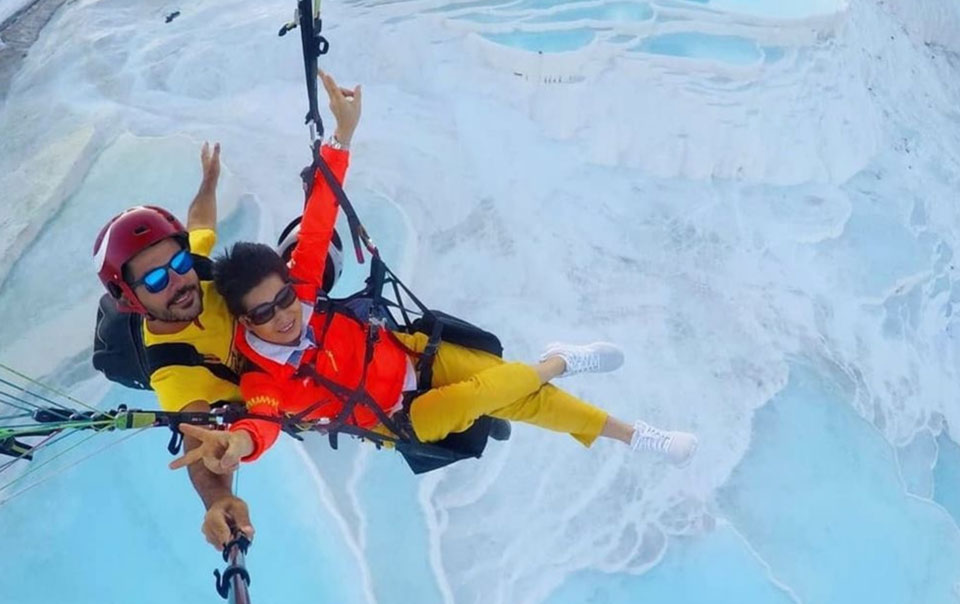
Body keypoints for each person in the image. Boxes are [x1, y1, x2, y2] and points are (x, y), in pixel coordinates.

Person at [169, 74, 699, 476]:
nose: (285, 315)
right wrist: (238, 445)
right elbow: (262, 421)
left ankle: (632, 435)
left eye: (283, 298)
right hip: (400, 418)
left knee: (523, 401)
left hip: (412, 354)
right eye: (265, 312)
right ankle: (559, 361)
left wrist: (343, 135)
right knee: (482, 395)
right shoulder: (264, 378)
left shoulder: (302, 291)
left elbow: (319, 218)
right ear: (244, 321)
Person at [92, 72, 361, 551]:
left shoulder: (195, 268)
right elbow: (199, 439)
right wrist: (216, 500)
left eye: (176, 263)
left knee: (299, 263)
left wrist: (209, 180)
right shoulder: (173, 367)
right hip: (270, 391)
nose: (178, 280)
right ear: (131, 300)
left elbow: (199, 224)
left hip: (281, 340)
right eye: (155, 280)